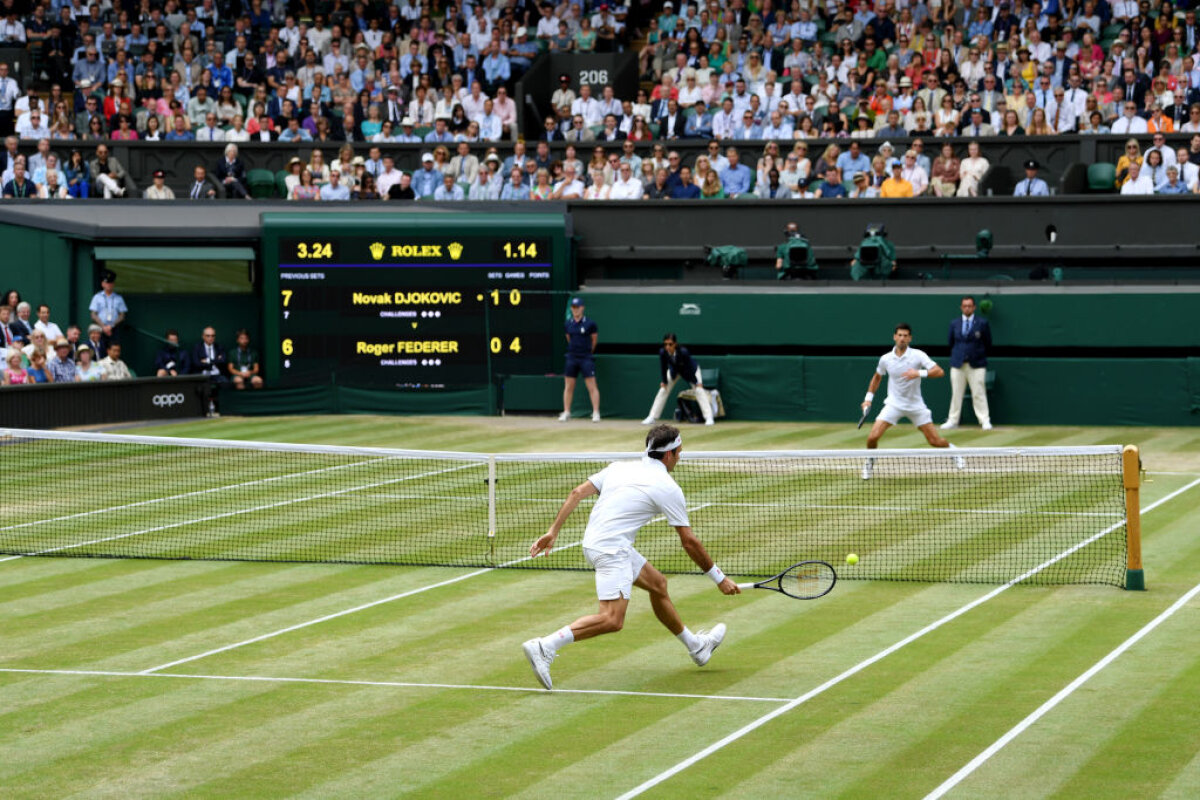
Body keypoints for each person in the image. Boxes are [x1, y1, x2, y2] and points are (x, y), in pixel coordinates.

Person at [521, 424, 738, 690]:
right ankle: (545, 646)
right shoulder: (667, 487)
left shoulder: (619, 467)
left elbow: (577, 493)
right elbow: (689, 542)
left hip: (595, 543)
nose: (680, 457)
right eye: (679, 452)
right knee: (612, 619)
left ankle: (697, 647)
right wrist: (719, 578)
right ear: (669, 455)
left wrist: (552, 531)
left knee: (658, 584)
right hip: (612, 550)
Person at [859, 323, 963, 480]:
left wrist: (919, 373)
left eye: (905, 336)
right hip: (893, 404)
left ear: (910, 338)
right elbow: (877, 377)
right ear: (894, 337)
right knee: (872, 437)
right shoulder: (885, 359)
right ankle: (869, 463)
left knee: (935, 441)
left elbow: (939, 371)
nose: (902, 338)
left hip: (916, 406)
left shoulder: (918, 355)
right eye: (899, 335)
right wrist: (868, 399)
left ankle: (953, 450)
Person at [942, 296, 993, 431]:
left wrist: (977, 355)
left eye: (969, 306)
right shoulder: (954, 323)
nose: (967, 308)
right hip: (958, 364)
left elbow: (988, 343)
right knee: (956, 393)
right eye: (964, 306)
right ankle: (953, 420)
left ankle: (984, 420)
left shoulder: (982, 323)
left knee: (978, 392)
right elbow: (950, 342)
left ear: (974, 307)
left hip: (977, 364)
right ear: (961, 307)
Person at [641, 334, 714, 426]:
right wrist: (664, 381)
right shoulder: (663, 352)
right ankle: (652, 417)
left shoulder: (684, 352)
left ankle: (709, 417)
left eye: (670, 344)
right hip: (674, 371)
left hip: (690, 371)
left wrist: (696, 382)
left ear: (675, 344)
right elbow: (663, 367)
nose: (667, 347)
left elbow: (690, 368)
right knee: (663, 389)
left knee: (699, 390)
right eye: (665, 344)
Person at [559, 297, 600, 423]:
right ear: (571, 309)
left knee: (592, 386)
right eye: (573, 307)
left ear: (582, 308)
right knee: (568, 386)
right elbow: (569, 339)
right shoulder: (568, 324)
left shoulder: (590, 324)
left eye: (578, 307)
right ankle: (566, 412)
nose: (575, 310)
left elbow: (594, 341)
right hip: (572, 357)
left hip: (586, 358)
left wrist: (587, 352)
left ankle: (596, 413)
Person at [191, 325, 228, 415]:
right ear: (203, 336)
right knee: (204, 388)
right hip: (203, 375)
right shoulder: (197, 348)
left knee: (226, 383)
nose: (210, 338)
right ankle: (205, 411)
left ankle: (225, 410)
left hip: (217, 375)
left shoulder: (219, 347)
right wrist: (216, 360)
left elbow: (223, 361)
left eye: (212, 336)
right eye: (208, 336)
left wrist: (207, 361)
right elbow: (196, 363)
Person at [89, 269, 126, 341]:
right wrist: (103, 327)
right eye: (107, 283)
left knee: (114, 349)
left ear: (114, 284)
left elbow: (122, 315)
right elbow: (93, 314)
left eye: (111, 283)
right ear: (102, 284)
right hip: (99, 329)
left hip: (114, 329)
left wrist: (111, 326)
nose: (109, 285)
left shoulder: (119, 298)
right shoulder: (97, 297)